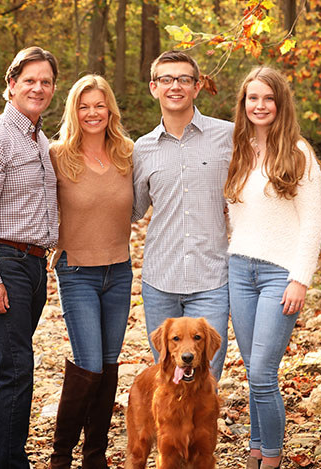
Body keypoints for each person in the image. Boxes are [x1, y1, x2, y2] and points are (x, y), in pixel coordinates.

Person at [0, 46, 59, 469]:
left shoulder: (38, 138)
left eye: (46, 81)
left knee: (0, 366)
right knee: (17, 370)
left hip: (32, 264)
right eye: (30, 80)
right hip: (4, 263)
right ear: (11, 84)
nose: (38, 88)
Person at [225, 66, 321, 469]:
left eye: (268, 98)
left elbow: (313, 222)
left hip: (278, 276)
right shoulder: (238, 149)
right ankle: (254, 447)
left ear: (280, 103)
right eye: (253, 98)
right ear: (244, 103)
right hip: (239, 270)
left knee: (263, 373)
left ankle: (271, 458)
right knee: (253, 370)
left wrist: (299, 279)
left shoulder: (298, 152)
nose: (260, 105)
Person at [48, 74, 133, 469]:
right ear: (73, 110)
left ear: (110, 109)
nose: (92, 113)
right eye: (84, 106)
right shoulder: (56, 155)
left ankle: (94, 456)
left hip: (119, 271)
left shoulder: (128, 154)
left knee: (110, 363)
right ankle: (61, 455)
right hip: (76, 271)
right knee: (89, 364)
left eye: (99, 105)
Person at [132, 50, 233, 380]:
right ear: (154, 87)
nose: (175, 86)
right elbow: (132, 209)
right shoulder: (141, 149)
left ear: (197, 86)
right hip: (160, 278)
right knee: (169, 374)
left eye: (184, 79)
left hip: (211, 278)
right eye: (166, 79)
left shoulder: (228, 136)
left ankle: (202, 434)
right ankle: (170, 434)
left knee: (205, 376)